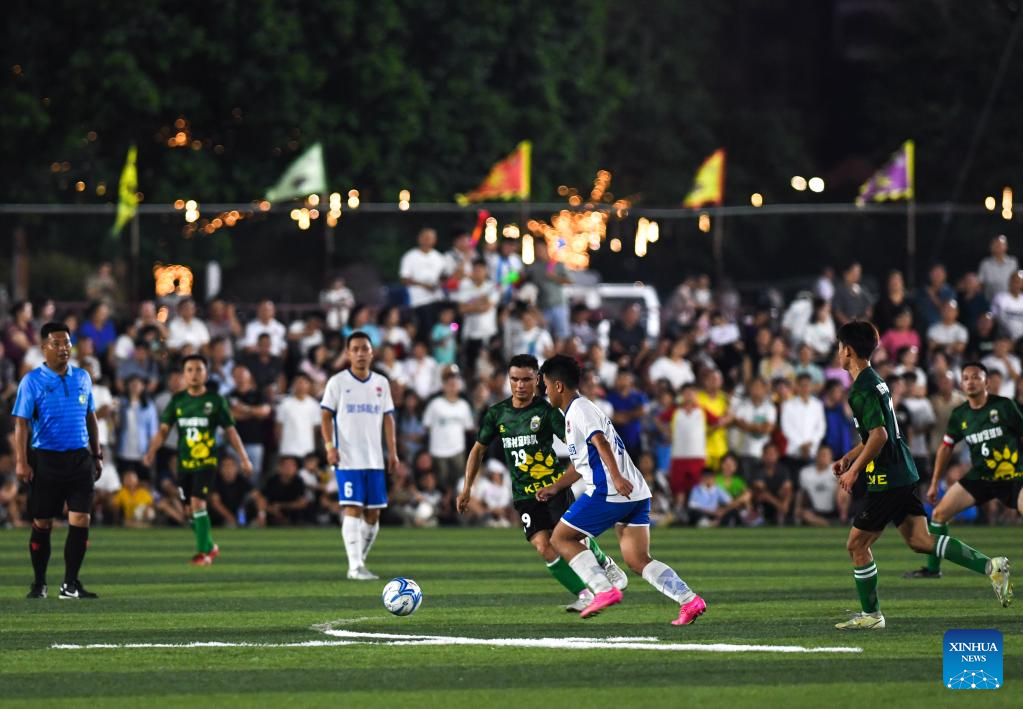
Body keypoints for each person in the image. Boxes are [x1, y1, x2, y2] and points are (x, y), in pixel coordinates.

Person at [832, 321, 1010, 630]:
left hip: (887, 478)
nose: (838, 352)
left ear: (847, 350)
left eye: (839, 347)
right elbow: (878, 433)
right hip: (903, 472)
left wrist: (855, 470)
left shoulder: (861, 389)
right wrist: (849, 457)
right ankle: (990, 566)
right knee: (920, 540)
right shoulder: (876, 381)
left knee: (856, 545)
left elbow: (879, 436)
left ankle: (872, 615)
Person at [537, 355, 706, 625]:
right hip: (635, 492)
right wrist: (556, 487)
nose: (545, 392)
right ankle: (689, 600)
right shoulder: (577, 412)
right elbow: (582, 463)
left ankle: (603, 589)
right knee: (638, 559)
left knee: (560, 539)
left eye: (545, 385)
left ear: (558, 385)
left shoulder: (579, 409)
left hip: (610, 490)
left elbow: (601, 442)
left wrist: (615, 478)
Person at [456, 354, 626, 612]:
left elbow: (576, 443)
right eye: (514, 379)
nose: (520, 385)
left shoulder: (547, 412)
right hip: (524, 495)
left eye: (526, 379)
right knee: (543, 546)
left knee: (569, 538)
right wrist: (467, 488)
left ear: (537, 379)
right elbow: (478, 450)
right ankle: (583, 594)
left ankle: (604, 561)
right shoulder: (497, 414)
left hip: (553, 487)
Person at [906, 362, 1023, 581]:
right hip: (980, 476)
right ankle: (933, 569)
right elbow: (946, 447)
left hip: (1012, 476)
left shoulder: (1004, 406)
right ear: (961, 384)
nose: (971, 382)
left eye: (976, 377)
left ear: (987, 383)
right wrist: (934, 483)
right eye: (966, 378)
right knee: (939, 514)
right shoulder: (960, 414)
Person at [14, 322, 103, 600]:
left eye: (67, 343)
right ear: (44, 347)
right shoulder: (32, 381)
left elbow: (90, 416)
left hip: (79, 458)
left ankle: (70, 584)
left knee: (81, 519)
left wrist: (97, 453)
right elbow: (21, 423)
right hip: (46, 459)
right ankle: (39, 583)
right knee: (43, 523)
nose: (64, 348)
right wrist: (22, 461)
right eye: (57, 343)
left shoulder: (83, 377)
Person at [143, 355, 253, 565]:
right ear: (184, 375)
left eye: (199, 369)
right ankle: (211, 546)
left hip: (207, 462)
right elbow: (163, 431)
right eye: (190, 370)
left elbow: (231, 431)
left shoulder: (216, 401)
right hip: (184, 464)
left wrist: (244, 458)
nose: (194, 374)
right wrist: (151, 452)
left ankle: (204, 554)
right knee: (189, 512)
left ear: (206, 373)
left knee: (197, 504)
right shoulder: (177, 401)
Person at [320, 331, 400, 580]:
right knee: (353, 508)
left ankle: (359, 560)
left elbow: (388, 418)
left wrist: (393, 451)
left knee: (374, 513)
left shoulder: (381, 383)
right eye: (355, 349)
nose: (360, 353)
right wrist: (329, 447)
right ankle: (354, 567)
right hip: (347, 458)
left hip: (374, 458)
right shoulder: (337, 382)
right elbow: (325, 416)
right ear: (348, 354)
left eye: (364, 348)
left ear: (372, 352)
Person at [422, 371, 475, 492]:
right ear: (444, 386)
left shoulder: (464, 405)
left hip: (458, 450)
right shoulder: (435, 404)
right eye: (449, 384)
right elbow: (426, 426)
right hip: (438, 451)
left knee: (459, 483)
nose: (452, 387)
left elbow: (468, 428)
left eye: (455, 384)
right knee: (441, 484)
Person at [400, 228, 448, 334]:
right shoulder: (410, 256)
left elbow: (444, 277)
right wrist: (424, 285)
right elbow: (404, 279)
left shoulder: (439, 257)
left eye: (430, 238)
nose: (427, 240)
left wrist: (439, 284)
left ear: (435, 240)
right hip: (418, 302)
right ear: (419, 239)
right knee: (425, 332)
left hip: (437, 299)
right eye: (425, 237)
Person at [525, 239, 572, 340]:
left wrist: (554, 277)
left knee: (561, 336)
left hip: (559, 306)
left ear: (546, 248)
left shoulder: (558, 265)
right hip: (543, 308)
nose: (538, 251)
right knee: (544, 336)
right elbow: (519, 276)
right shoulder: (533, 267)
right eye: (536, 249)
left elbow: (569, 281)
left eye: (540, 248)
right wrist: (509, 278)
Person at [275, 373, 322, 460]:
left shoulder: (314, 405)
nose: (301, 386)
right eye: (298, 382)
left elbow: (315, 428)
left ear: (309, 385)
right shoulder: (284, 404)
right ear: (293, 385)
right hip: (288, 448)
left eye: (304, 383)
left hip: (307, 448)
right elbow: (278, 427)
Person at [796, 444, 845, 527]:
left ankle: (842, 518)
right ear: (816, 456)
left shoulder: (838, 470)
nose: (824, 457)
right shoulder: (805, 472)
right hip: (815, 511)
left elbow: (845, 488)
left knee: (844, 491)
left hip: (834, 508)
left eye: (826, 455)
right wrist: (797, 507)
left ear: (831, 457)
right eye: (822, 455)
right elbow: (801, 493)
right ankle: (830, 524)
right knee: (805, 515)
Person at [253, 456, 310, 526]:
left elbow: (303, 503)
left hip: (291, 513)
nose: (289, 468)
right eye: (286, 465)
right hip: (271, 512)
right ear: (279, 468)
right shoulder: (272, 480)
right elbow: (259, 497)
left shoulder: (299, 481)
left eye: (292, 465)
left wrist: (281, 506)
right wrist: (265, 512)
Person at [979, 234, 1018, 302]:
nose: (998, 246)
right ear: (991, 247)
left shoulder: (1013, 262)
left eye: (1001, 244)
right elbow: (980, 283)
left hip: (1009, 301)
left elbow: (1017, 282)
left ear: (1006, 247)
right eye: (995, 244)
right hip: (990, 301)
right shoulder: (985, 263)